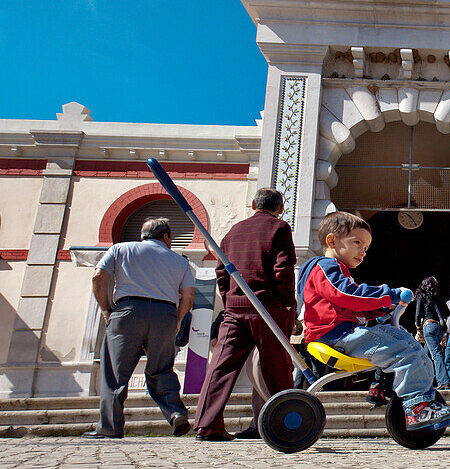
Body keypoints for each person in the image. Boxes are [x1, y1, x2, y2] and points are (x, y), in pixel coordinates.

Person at [299, 211, 450, 430]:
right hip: (339, 334)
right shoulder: (326, 268)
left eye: (365, 248)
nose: (362, 251)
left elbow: (350, 307)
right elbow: (346, 294)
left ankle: (421, 397)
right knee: (404, 350)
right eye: (357, 243)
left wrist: (382, 308)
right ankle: (416, 407)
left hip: (344, 331)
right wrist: (389, 294)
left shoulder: (335, 271)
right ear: (332, 240)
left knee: (407, 342)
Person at [194, 188, 296, 442]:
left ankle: (207, 424)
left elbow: (221, 270)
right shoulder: (280, 228)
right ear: (281, 208)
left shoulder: (233, 232)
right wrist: (288, 305)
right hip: (268, 307)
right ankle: (288, 425)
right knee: (277, 368)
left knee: (221, 367)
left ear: (253, 204)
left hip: (235, 307)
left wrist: (229, 298)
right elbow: (283, 269)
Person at [84, 217, 195, 439]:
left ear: (142, 235)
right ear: (166, 237)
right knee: (162, 368)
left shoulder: (120, 249)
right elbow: (189, 294)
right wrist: (178, 319)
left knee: (115, 373)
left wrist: (106, 309)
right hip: (165, 314)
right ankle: (175, 413)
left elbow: (98, 276)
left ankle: (110, 428)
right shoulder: (180, 261)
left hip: (128, 311)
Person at [414, 275, 450, 389]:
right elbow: (447, 313)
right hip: (439, 328)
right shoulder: (438, 296)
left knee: (436, 354)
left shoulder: (422, 295)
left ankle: (443, 381)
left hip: (429, 327)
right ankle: (423, 381)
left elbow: (418, 314)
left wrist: (418, 328)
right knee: (425, 355)